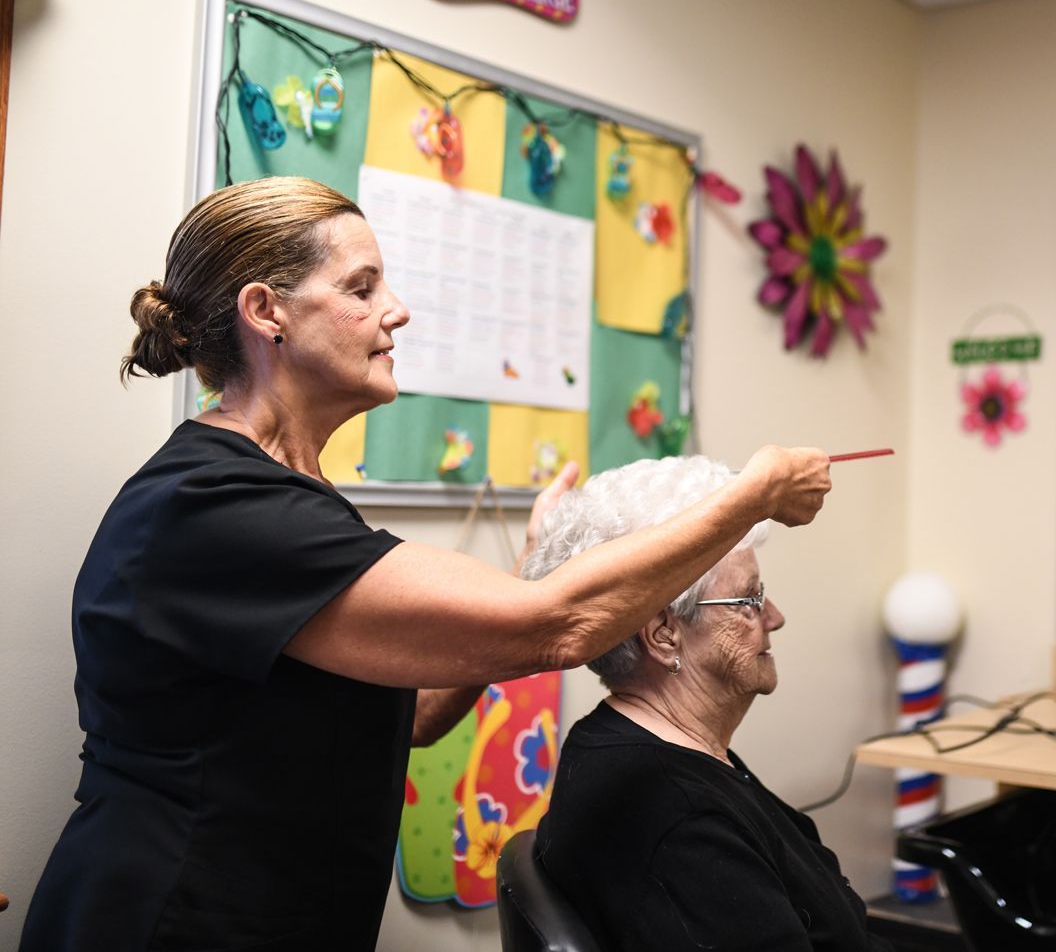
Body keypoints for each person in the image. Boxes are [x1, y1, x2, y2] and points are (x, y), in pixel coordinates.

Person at [21, 177, 833, 952]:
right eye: (362, 287)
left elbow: (410, 717)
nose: (396, 312)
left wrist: (521, 582)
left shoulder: (289, 500)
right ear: (266, 312)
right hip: (171, 920)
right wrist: (750, 495)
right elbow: (558, 628)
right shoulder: (217, 505)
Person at [527, 456, 892, 952]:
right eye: (749, 600)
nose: (776, 618)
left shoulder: (634, 744)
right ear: (662, 635)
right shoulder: (680, 820)